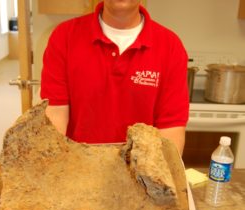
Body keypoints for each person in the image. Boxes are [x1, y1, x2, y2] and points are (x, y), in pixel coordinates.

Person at [40, 0, 189, 155]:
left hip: (140, 173)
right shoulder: (65, 36)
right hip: (78, 168)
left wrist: (160, 176)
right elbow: (55, 114)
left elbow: (171, 128)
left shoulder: (170, 46)